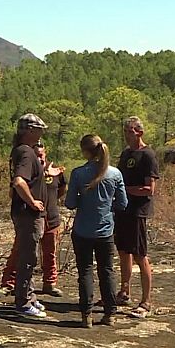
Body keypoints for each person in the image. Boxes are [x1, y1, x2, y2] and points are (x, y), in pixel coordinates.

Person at [65, 134, 128, 328]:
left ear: (85, 151)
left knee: (85, 271)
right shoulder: (115, 174)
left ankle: (86, 315)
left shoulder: (78, 173)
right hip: (105, 231)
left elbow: (70, 203)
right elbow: (123, 203)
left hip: (83, 230)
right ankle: (109, 314)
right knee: (107, 271)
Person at [0, 142, 67, 298]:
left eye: (41, 154)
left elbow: (62, 189)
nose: (39, 157)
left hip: (51, 217)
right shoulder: (27, 169)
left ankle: (50, 283)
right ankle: (8, 283)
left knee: (50, 252)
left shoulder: (55, 171)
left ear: (46, 153)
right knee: (19, 250)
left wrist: (51, 200)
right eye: (36, 155)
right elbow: (13, 191)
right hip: (30, 218)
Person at [114, 116, 160, 319]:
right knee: (124, 251)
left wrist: (126, 190)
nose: (126, 134)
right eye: (125, 131)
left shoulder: (148, 155)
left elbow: (149, 189)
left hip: (137, 211)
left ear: (139, 132)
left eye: (130, 131)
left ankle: (146, 301)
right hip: (122, 210)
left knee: (140, 255)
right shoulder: (125, 154)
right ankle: (124, 292)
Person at [7, 113, 49, 319]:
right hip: (27, 215)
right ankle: (23, 301)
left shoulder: (24, 151)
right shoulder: (25, 152)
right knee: (27, 257)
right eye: (40, 130)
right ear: (31, 131)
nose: (42, 133)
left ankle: (29, 297)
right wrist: (32, 202)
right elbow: (19, 182)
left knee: (29, 256)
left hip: (25, 213)